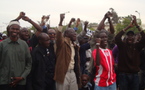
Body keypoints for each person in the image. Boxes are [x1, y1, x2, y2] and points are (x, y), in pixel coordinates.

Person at [115, 15, 145, 90]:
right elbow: (117, 37)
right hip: (123, 75)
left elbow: (144, 38)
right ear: (126, 37)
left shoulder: (137, 46)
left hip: (135, 75)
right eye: (128, 35)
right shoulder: (122, 46)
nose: (130, 37)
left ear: (134, 37)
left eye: (132, 36)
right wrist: (128, 27)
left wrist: (137, 25)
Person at [0, 20, 32, 90]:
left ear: (19, 31)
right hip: (4, 82)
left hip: (20, 82)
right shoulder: (2, 44)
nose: (15, 31)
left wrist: (22, 77)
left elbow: (29, 63)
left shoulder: (24, 45)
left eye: (17, 29)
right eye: (13, 28)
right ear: (9, 29)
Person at [54, 14, 81, 90]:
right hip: (63, 73)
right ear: (66, 34)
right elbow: (59, 36)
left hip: (72, 72)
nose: (75, 33)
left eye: (75, 32)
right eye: (72, 32)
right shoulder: (62, 43)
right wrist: (61, 21)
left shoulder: (75, 46)